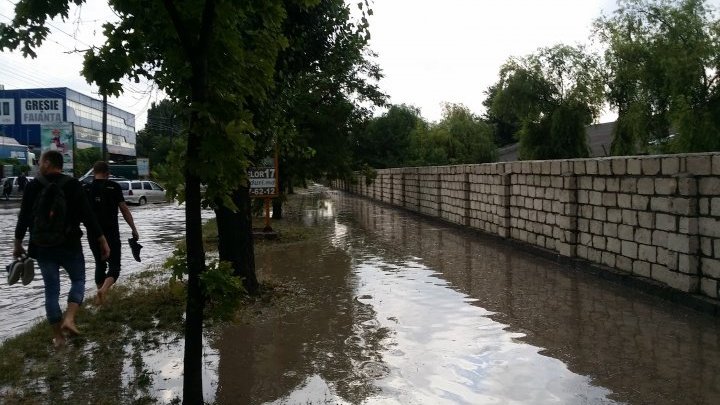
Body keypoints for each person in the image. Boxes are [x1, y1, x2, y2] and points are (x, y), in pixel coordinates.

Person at [13, 150, 110, 347]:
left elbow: (23, 217)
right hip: (70, 244)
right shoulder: (73, 185)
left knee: (51, 289)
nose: (39, 165)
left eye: (40, 161)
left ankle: (58, 338)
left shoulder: (33, 186)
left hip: (42, 247)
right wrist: (102, 239)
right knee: (78, 279)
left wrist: (17, 243)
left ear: (48, 163)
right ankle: (70, 318)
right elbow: (88, 216)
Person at [84, 161, 139, 305]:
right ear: (107, 173)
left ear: (93, 172)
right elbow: (124, 210)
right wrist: (133, 228)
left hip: (93, 234)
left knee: (99, 264)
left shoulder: (87, 188)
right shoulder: (114, 187)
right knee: (114, 266)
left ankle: (101, 300)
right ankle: (103, 290)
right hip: (111, 233)